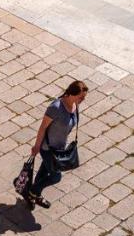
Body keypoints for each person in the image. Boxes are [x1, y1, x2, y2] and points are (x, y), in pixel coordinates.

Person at [26, 80, 88, 209]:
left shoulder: (75, 106)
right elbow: (43, 127)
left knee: (43, 173)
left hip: (59, 149)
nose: (83, 99)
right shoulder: (56, 108)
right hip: (47, 148)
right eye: (81, 97)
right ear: (72, 94)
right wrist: (36, 146)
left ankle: (33, 196)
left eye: (84, 97)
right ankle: (32, 191)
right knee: (55, 176)